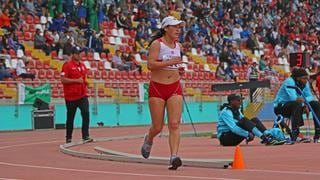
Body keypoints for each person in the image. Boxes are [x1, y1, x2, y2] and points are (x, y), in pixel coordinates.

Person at [140, 16, 185, 170]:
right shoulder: (157, 44)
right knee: (158, 127)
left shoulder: (178, 45)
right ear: (166, 28)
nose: (178, 29)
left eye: (179, 27)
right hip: (158, 88)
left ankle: (174, 156)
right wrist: (170, 63)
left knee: (174, 124)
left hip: (174, 87)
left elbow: (173, 65)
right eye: (175, 27)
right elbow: (150, 65)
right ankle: (149, 138)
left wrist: (178, 70)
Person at [217, 94, 286, 146]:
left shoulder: (237, 110)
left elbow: (245, 123)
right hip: (225, 139)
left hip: (232, 136)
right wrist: (247, 134)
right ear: (232, 101)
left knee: (254, 119)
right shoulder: (226, 112)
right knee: (244, 120)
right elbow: (234, 128)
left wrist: (250, 130)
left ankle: (268, 135)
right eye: (238, 100)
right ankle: (265, 139)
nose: (240, 102)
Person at [274, 68, 320, 143]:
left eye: (307, 78)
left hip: (297, 106)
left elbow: (310, 97)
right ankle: (296, 132)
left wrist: (305, 104)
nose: (306, 80)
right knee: (297, 104)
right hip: (281, 107)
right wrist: (304, 104)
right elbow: (293, 98)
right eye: (304, 78)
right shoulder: (289, 81)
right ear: (298, 78)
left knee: (316, 104)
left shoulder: (305, 83)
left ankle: (317, 134)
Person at [61, 47, 92, 144]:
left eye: (80, 54)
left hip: (82, 95)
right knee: (70, 117)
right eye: (78, 54)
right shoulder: (67, 65)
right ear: (73, 54)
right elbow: (63, 80)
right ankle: (68, 137)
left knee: (86, 113)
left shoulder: (82, 66)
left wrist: (87, 83)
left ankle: (85, 135)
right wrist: (76, 81)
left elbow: (83, 78)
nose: (80, 56)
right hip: (71, 96)